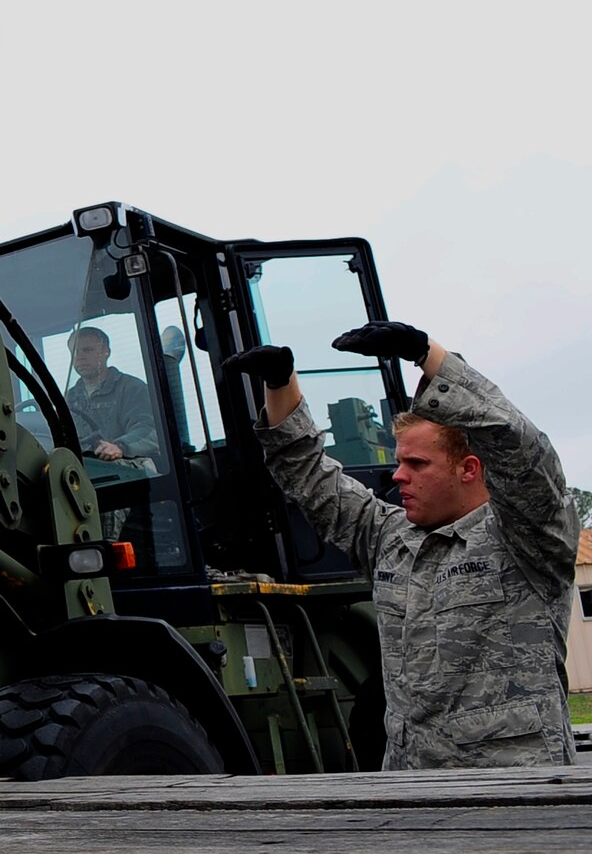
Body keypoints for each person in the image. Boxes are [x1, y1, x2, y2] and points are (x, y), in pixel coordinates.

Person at [224, 321, 577, 769]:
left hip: (513, 787)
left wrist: (427, 353)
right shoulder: (391, 538)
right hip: (413, 787)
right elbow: (309, 477)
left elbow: (521, 451)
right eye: (398, 461)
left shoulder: (527, 537)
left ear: (469, 469)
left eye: (416, 463)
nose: (397, 475)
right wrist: (280, 384)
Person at [65, 326, 162, 468]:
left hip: (128, 469)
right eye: (74, 352)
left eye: (87, 350)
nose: (79, 356)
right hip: (84, 471)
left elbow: (149, 430)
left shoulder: (132, 388)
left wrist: (119, 447)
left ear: (106, 352)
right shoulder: (69, 398)